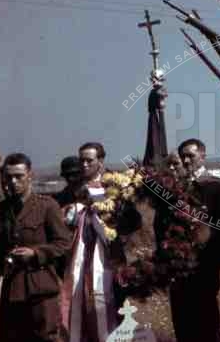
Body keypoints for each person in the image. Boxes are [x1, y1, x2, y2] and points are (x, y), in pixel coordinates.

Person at [61, 142, 141, 342]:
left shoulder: (117, 185)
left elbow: (134, 221)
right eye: (82, 160)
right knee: (78, 310)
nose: (85, 164)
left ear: (101, 161)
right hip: (78, 260)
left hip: (109, 258)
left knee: (111, 309)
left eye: (90, 160)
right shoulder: (71, 190)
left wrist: (113, 221)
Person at [160, 138, 220, 342]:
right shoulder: (175, 188)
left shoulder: (215, 186)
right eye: (183, 157)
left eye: (191, 155)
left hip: (204, 263)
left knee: (206, 318)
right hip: (177, 264)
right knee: (182, 319)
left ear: (202, 156)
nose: (187, 160)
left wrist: (216, 258)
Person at [0, 153, 71, 342]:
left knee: (45, 337)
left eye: (19, 176)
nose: (13, 181)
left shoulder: (47, 206)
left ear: (30, 175)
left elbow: (63, 244)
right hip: (10, 289)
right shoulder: (0, 210)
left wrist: (36, 253)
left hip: (40, 288)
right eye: (9, 177)